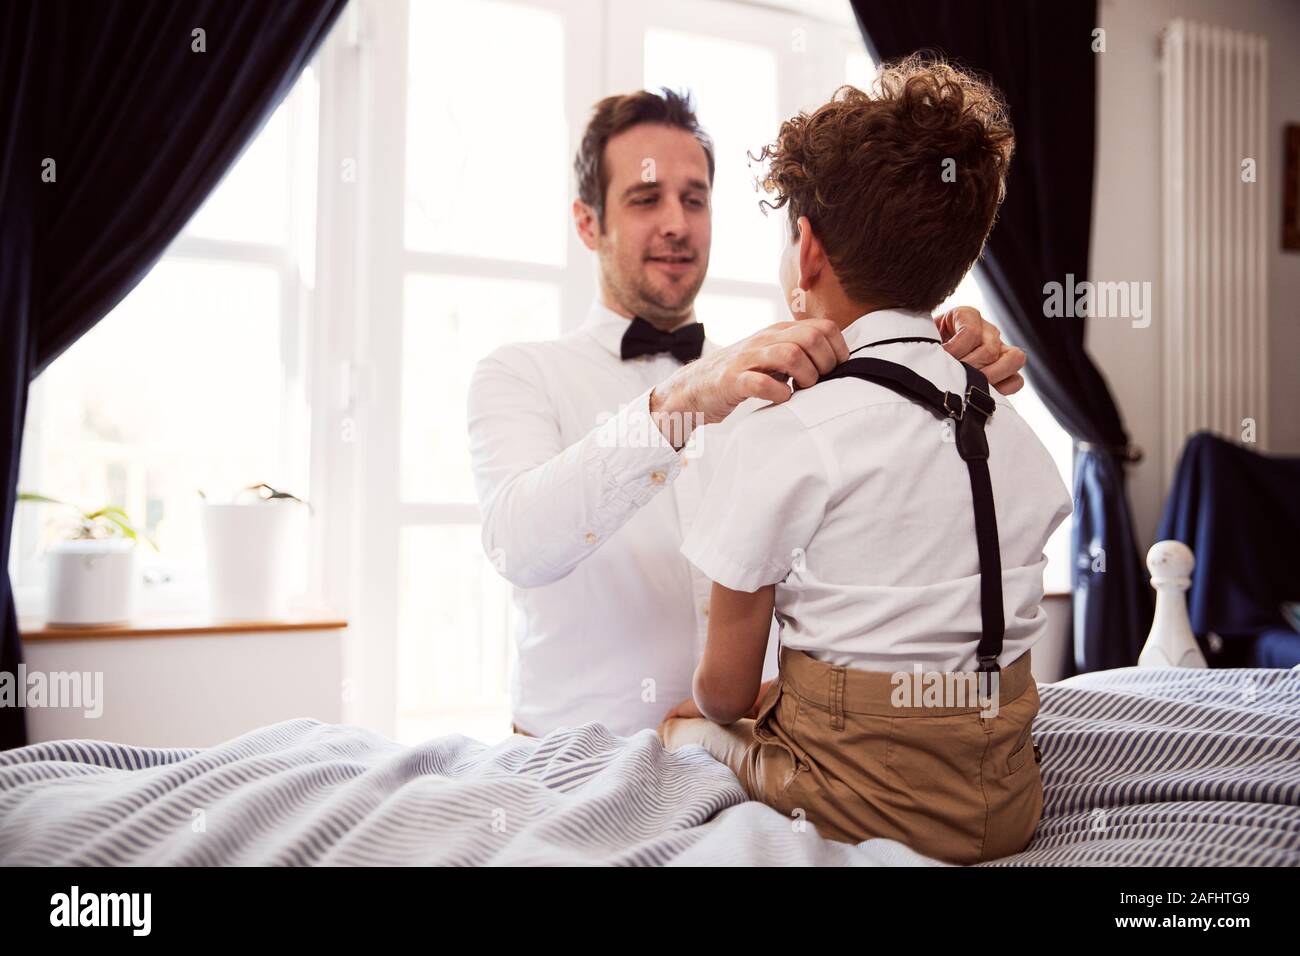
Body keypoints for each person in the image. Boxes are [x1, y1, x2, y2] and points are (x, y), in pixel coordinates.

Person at [468, 86, 1029, 739]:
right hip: (569, 763)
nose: (677, 222)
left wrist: (938, 351)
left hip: (754, 766)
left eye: (695, 198)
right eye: (646, 199)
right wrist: (681, 401)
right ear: (589, 222)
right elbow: (517, 544)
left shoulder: (787, 373)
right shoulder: (519, 374)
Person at [657, 57, 1072, 864]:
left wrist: (711, 714)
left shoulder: (782, 430)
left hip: (860, 796)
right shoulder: (1009, 423)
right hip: (1008, 796)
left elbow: (727, 690)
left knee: (684, 723)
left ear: (806, 251)